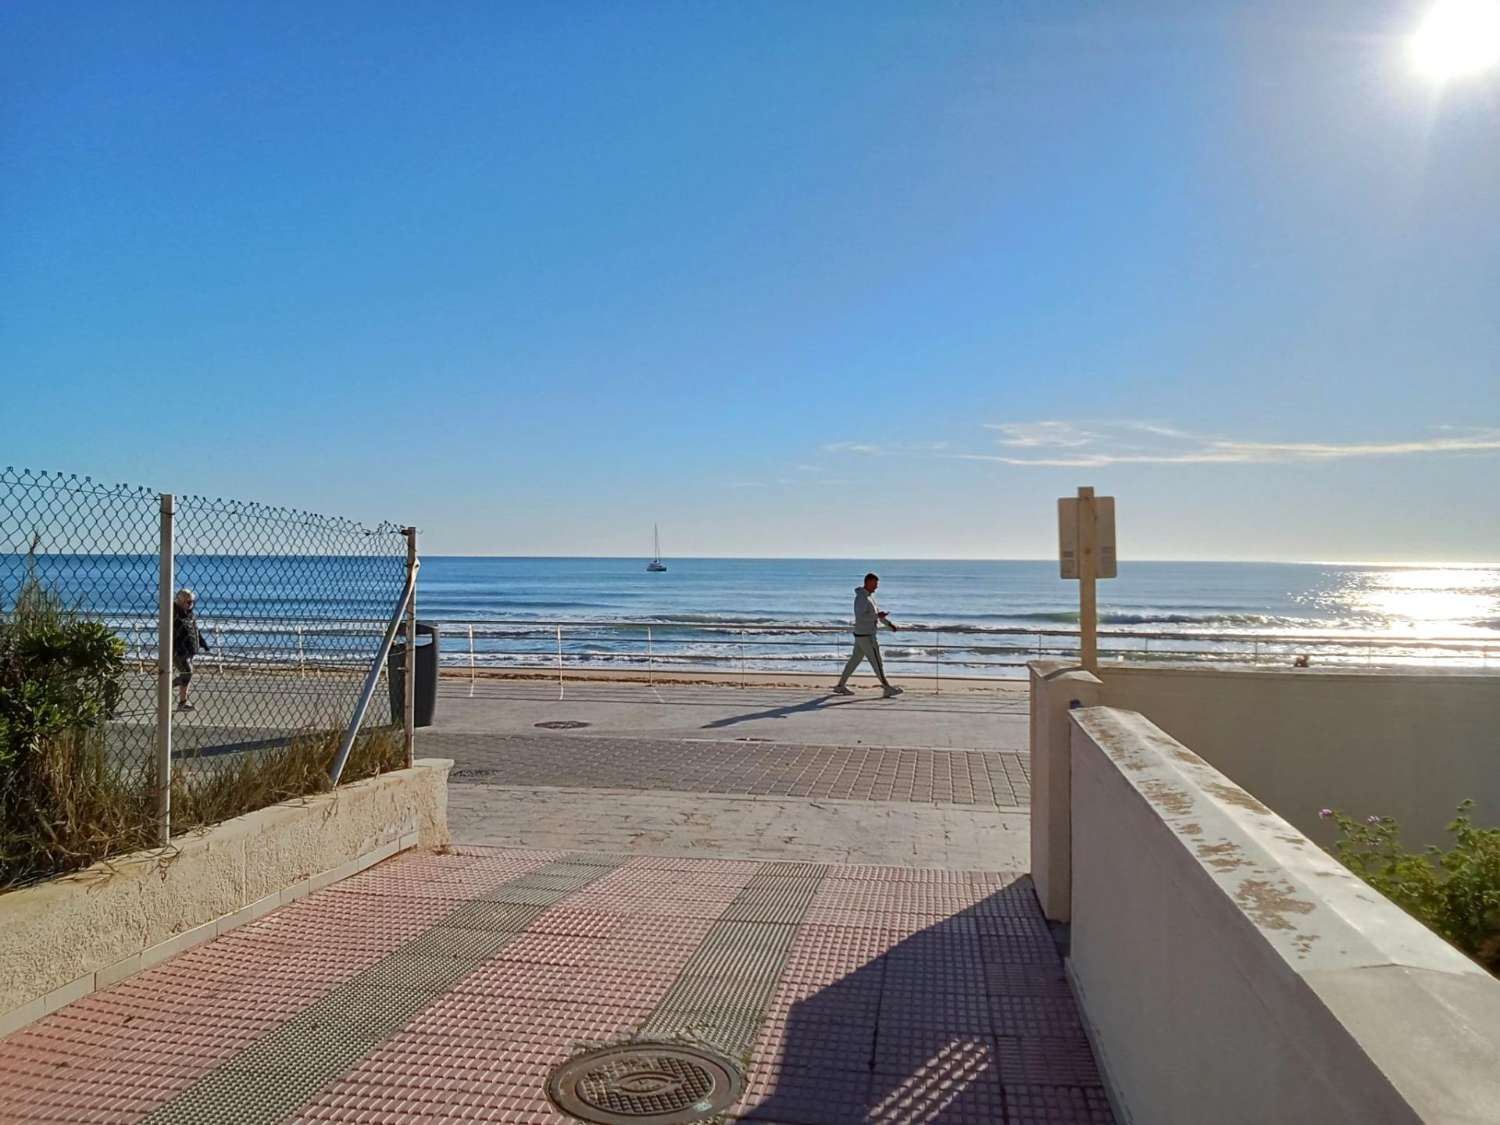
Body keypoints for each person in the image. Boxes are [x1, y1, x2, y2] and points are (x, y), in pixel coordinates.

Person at [832, 572, 904, 698]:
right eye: (875, 584)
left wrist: (889, 624)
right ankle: (887, 688)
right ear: (868, 582)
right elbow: (861, 616)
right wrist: (877, 616)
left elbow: (876, 615)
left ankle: (840, 686)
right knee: (877, 662)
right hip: (866, 636)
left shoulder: (869, 597)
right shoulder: (862, 598)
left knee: (854, 661)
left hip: (861, 635)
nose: (877, 587)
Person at [172, 588, 210, 711]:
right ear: (180, 601)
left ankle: (182, 702)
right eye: (188, 602)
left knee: (187, 675)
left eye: (192, 602)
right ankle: (167, 686)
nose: (191, 604)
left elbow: (195, 631)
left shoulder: (190, 614)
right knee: (187, 673)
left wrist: (203, 644)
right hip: (179, 651)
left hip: (189, 650)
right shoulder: (174, 614)